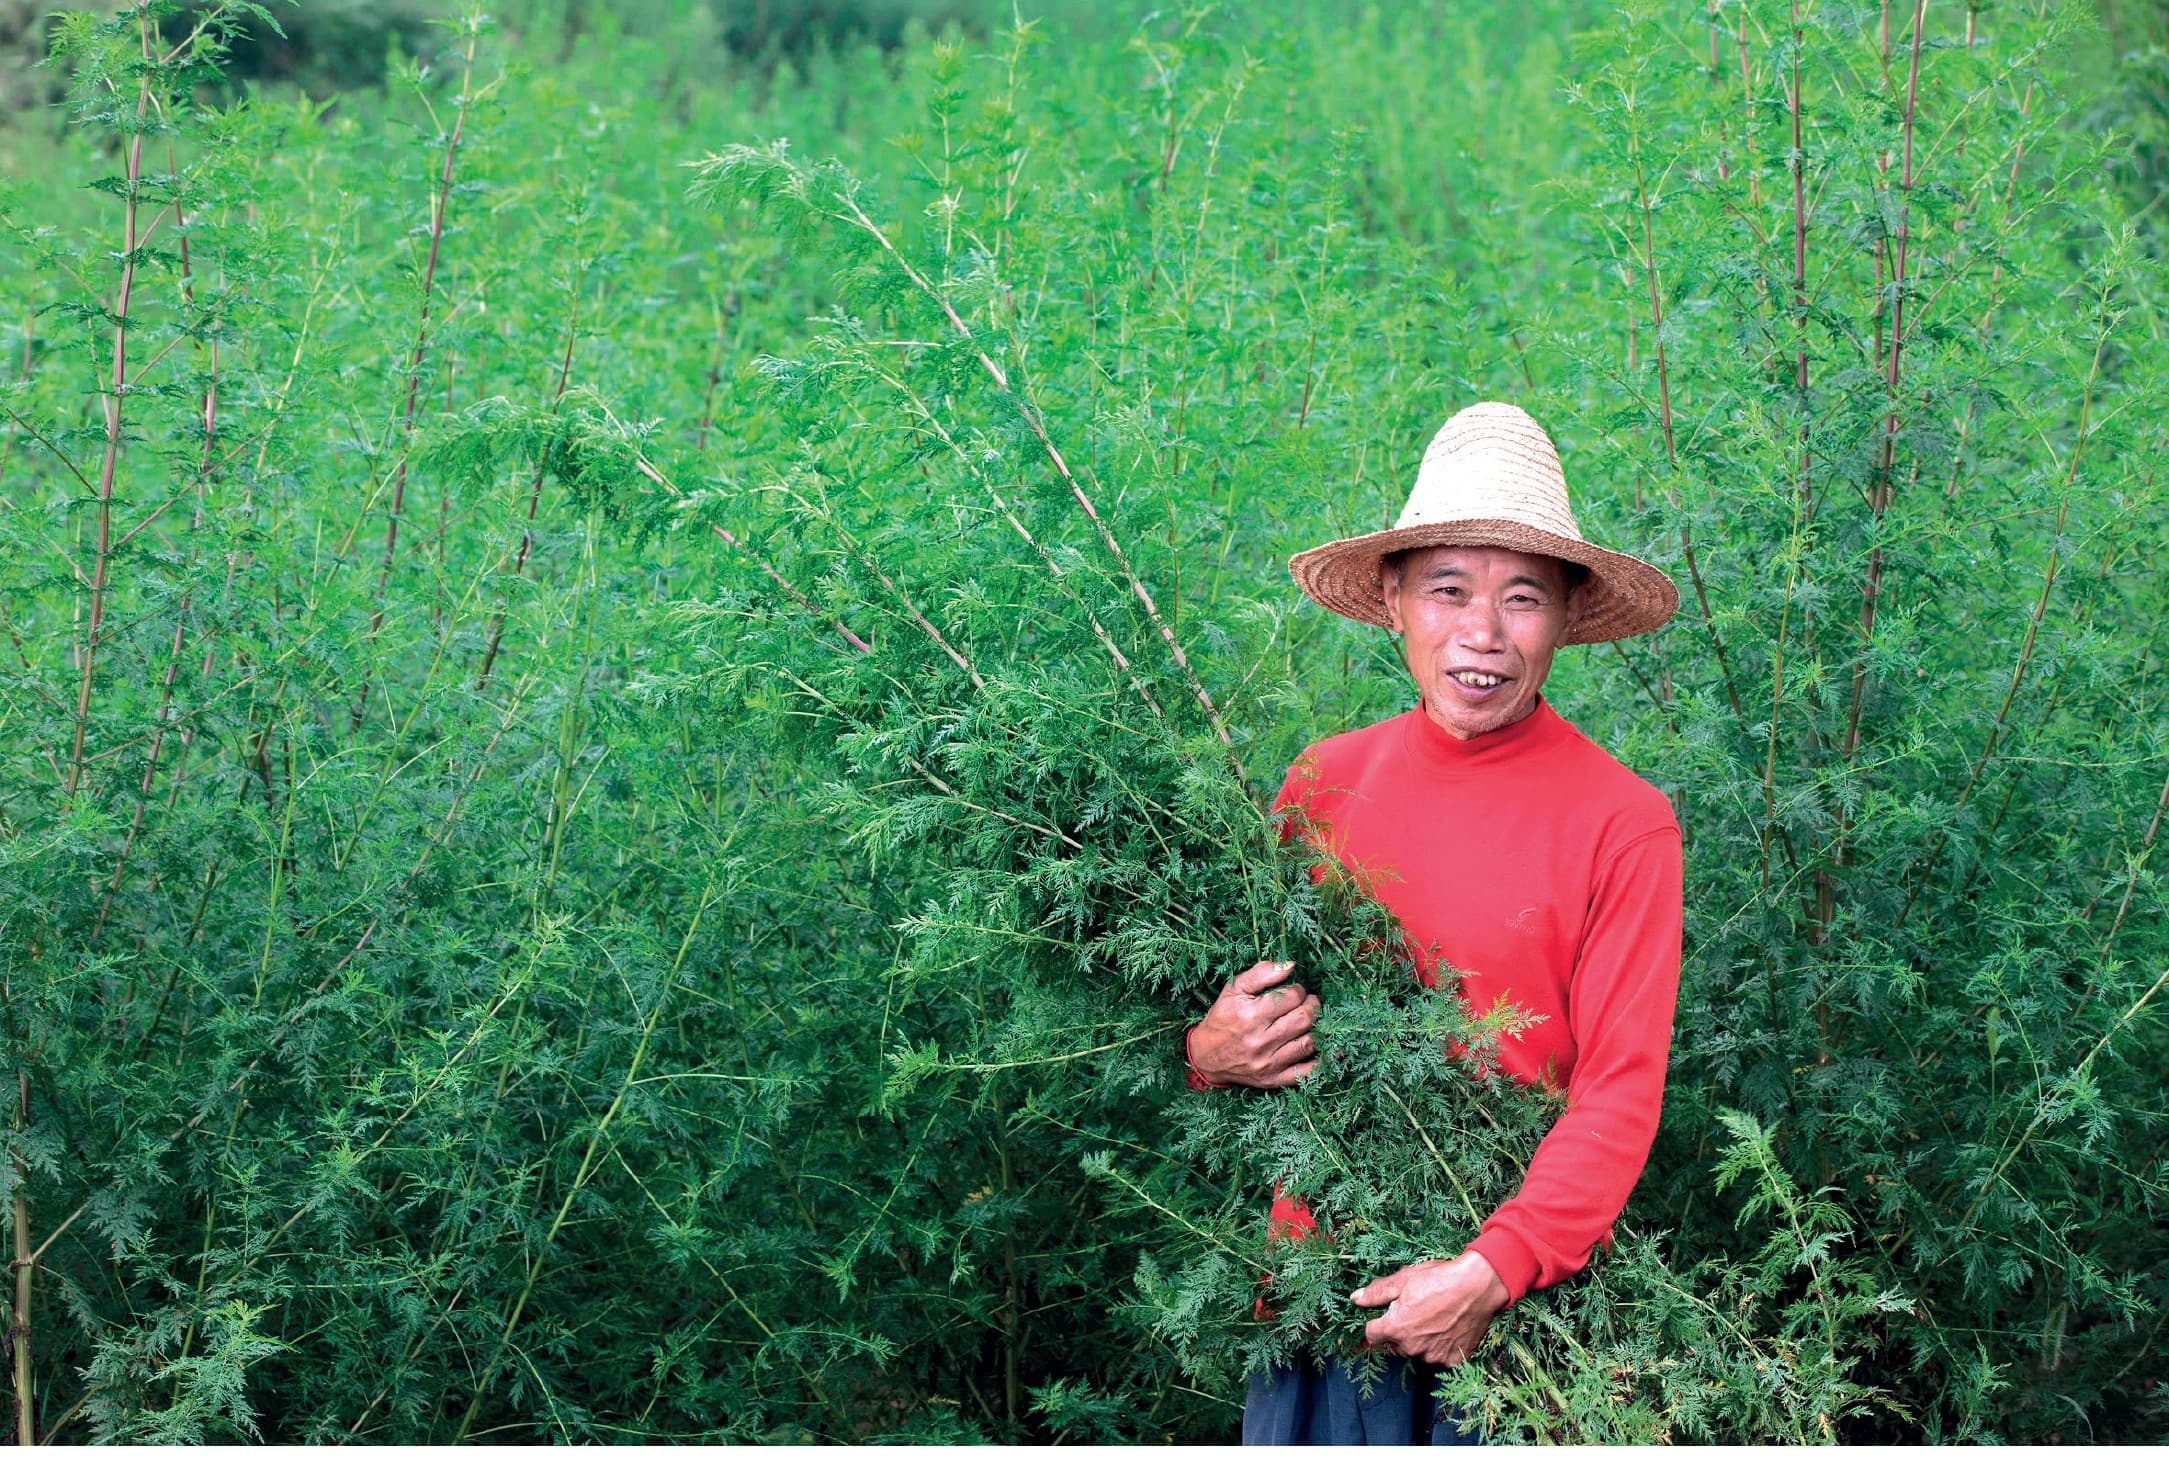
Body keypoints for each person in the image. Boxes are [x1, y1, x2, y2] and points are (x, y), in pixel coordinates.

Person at [1183, 401, 1685, 1445]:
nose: (1484, 635)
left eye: (1523, 599)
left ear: (1565, 618)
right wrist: (1207, 1051)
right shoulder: (1321, 783)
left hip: (1506, 1329)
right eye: (1449, 591)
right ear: (1397, 601)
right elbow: (1249, 1036)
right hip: (1320, 1305)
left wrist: (1492, 1271)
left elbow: (1620, 1092)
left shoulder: (1623, 823)